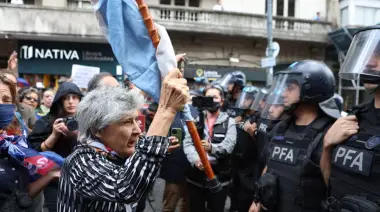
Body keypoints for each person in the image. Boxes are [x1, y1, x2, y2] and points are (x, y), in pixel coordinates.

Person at [57, 69, 189, 212]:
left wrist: (163, 67)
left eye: (135, 120)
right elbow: (125, 187)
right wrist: (166, 110)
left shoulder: (116, 151)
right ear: (98, 130)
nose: (138, 130)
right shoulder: (80, 162)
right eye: (127, 122)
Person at [249, 60, 340, 212]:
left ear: (311, 91)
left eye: (290, 88)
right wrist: (257, 200)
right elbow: (270, 164)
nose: (283, 94)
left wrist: (328, 148)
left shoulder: (330, 133)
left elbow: (335, 188)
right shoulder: (280, 127)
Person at [320, 24, 380, 212]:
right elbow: (331, 184)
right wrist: (327, 147)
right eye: (368, 53)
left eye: (378, 54)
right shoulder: (354, 118)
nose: (368, 62)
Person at [0, 73, 59, 211]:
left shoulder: (19, 139)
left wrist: (50, 174)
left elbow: (24, 193)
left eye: (6, 99)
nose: (1, 104)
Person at [29, 82, 82, 212]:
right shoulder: (45, 122)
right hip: (54, 181)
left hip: (81, 179)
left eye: (74, 97)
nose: (71, 102)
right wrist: (54, 134)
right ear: (59, 100)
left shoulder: (87, 121)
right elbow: (34, 153)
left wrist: (78, 134)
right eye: (66, 98)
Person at [184, 84, 237, 212]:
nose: (212, 100)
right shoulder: (196, 121)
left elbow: (228, 145)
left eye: (215, 97)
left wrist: (211, 148)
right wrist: (196, 160)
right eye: (208, 97)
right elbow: (187, 143)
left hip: (219, 179)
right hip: (196, 179)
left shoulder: (229, 122)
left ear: (222, 100)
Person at [229, 86, 260, 212]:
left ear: (254, 100)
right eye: (243, 97)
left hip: (250, 167)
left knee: (244, 198)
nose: (243, 100)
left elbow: (262, 147)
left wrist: (253, 135)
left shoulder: (259, 118)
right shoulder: (240, 115)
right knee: (233, 196)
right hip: (236, 163)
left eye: (247, 98)